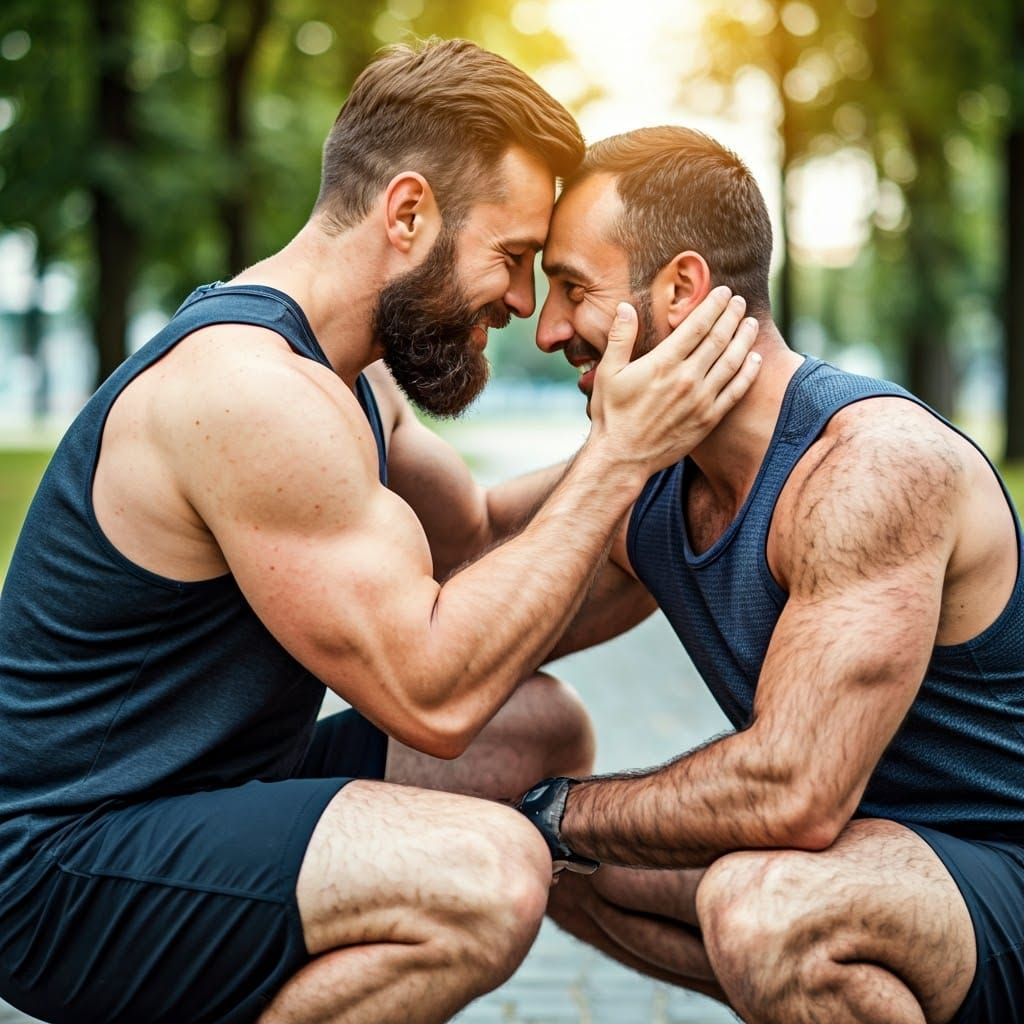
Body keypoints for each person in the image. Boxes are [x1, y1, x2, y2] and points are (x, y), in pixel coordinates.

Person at [0, 43, 763, 1024]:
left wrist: (679, 459)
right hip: (64, 861)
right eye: (513, 256)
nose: (524, 303)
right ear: (407, 214)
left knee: (534, 730)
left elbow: (485, 540)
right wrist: (618, 459)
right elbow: (430, 692)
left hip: (215, 793)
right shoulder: (248, 396)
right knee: (482, 877)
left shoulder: (346, 378)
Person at [519, 124, 1024, 1024]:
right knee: (515, 862)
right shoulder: (652, 476)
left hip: (992, 871)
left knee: (764, 910)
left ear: (681, 288)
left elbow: (791, 792)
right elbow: (475, 550)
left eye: (572, 288)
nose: (550, 326)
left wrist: (557, 812)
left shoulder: (870, 467)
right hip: (853, 861)